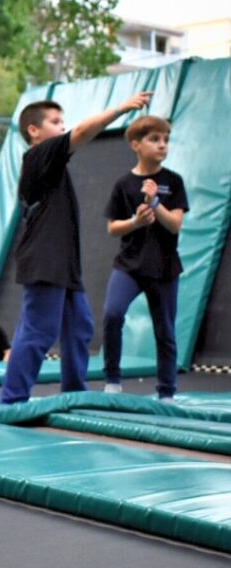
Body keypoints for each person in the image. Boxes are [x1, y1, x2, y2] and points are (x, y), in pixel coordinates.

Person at [0, 91, 153, 405]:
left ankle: (73, 393)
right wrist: (120, 109)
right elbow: (82, 132)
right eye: (55, 122)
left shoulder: (50, 164)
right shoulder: (39, 155)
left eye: (62, 122)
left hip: (63, 263)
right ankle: (12, 400)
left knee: (79, 326)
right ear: (34, 130)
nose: (62, 127)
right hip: (45, 260)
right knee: (39, 330)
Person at [101, 116, 188, 402]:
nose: (162, 145)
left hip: (164, 267)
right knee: (112, 314)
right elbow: (113, 228)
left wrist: (154, 202)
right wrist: (135, 222)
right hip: (129, 265)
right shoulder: (123, 184)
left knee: (165, 330)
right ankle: (112, 380)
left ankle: (166, 392)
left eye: (166, 140)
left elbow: (175, 224)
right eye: (155, 139)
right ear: (136, 145)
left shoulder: (173, 182)